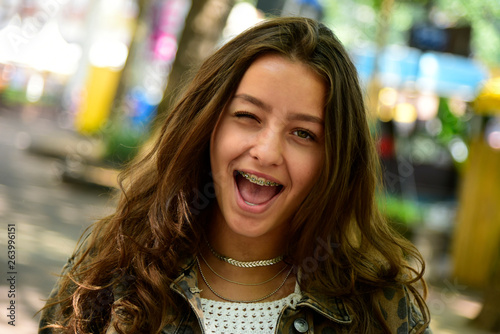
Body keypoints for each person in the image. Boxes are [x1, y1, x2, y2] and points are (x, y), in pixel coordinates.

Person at [39, 17, 431, 334]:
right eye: (247, 116)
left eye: (303, 133)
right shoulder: (115, 263)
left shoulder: (381, 309)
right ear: (208, 125)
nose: (266, 151)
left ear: (334, 161)